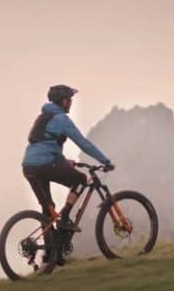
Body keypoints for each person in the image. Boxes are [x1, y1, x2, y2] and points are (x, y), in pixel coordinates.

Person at [22, 85, 114, 234]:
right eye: (70, 100)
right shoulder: (61, 119)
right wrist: (105, 161)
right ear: (63, 101)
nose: (71, 103)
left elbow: (46, 144)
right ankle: (65, 217)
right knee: (80, 179)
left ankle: (51, 253)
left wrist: (62, 161)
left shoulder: (42, 118)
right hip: (45, 164)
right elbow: (83, 144)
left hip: (29, 166)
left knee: (47, 209)